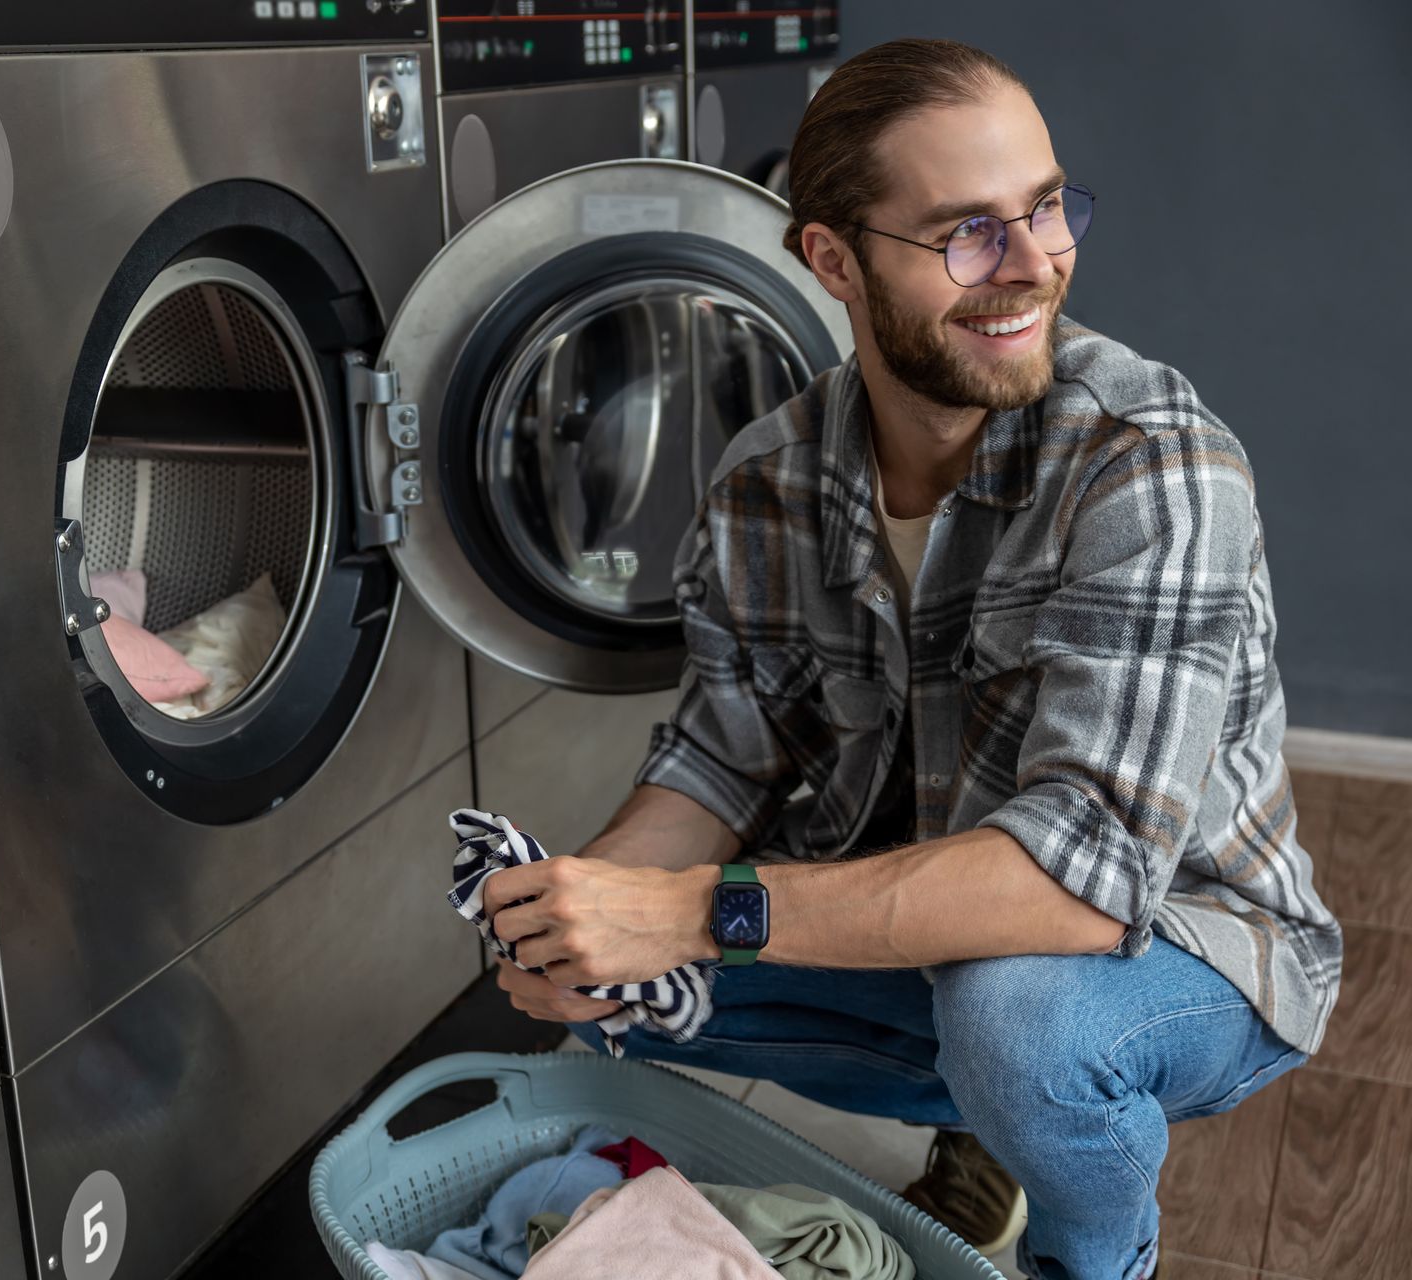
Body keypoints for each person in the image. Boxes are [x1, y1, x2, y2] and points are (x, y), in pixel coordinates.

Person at [481, 37, 1342, 1280]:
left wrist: (688, 910)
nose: (1036, 263)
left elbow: (1081, 885)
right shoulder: (765, 480)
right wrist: (582, 914)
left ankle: (1091, 1248)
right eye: (968, 233)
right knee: (600, 979)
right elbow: (719, 766)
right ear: (832, 257)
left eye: (1048, 207)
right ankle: (994, 1124)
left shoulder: (1149, 462)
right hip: (934, 923)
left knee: (1020, 1019)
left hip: (1183, 948)